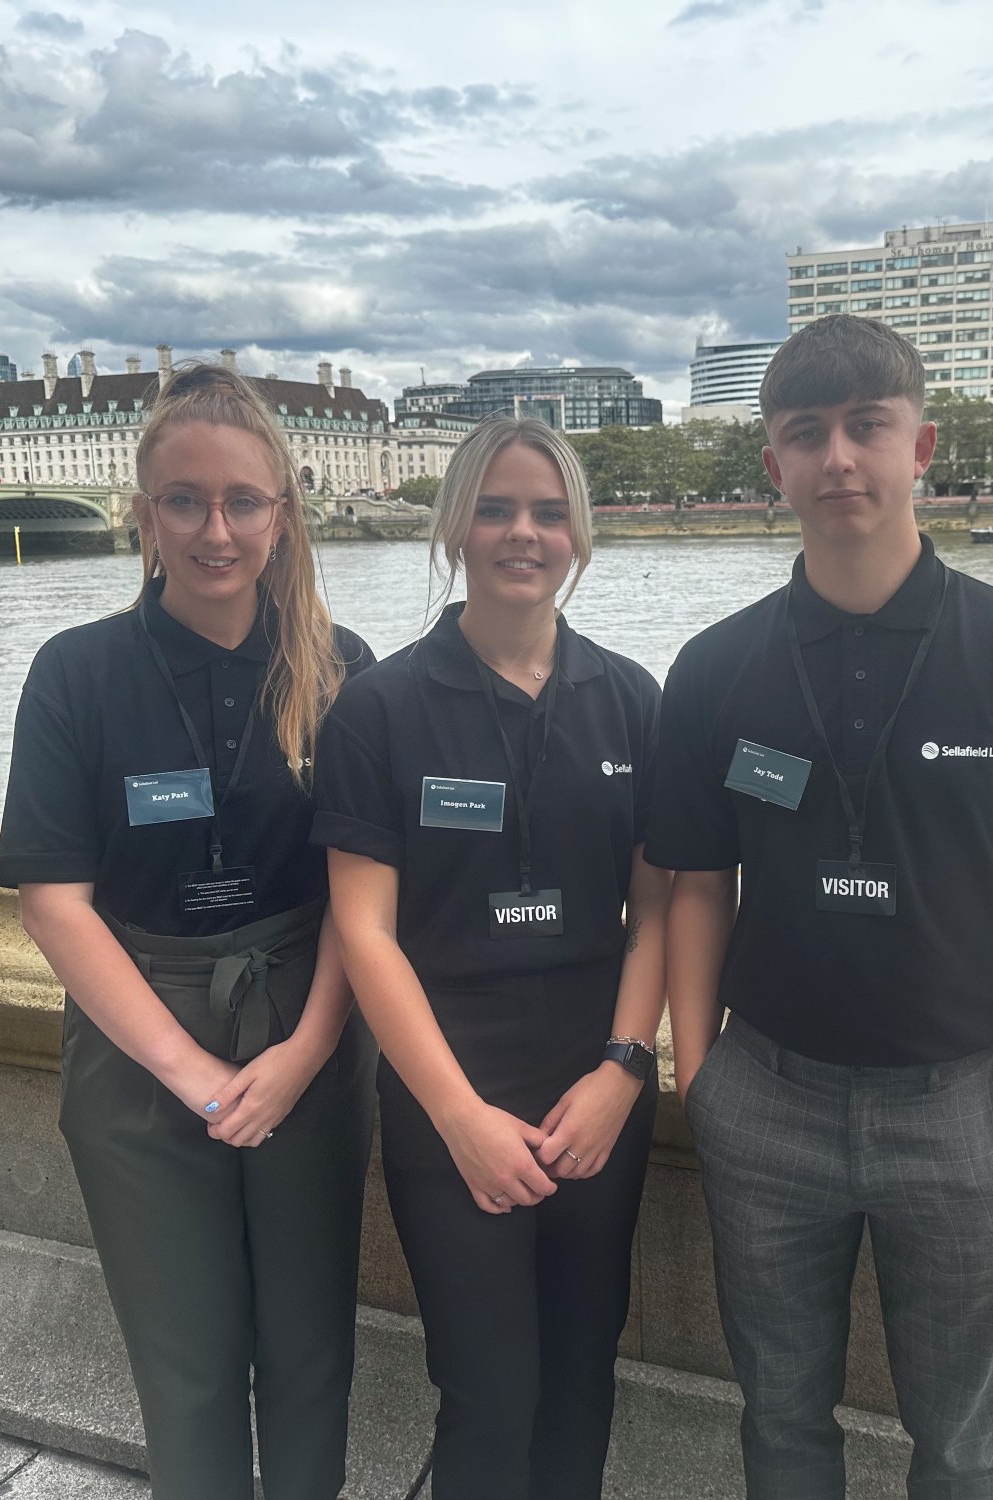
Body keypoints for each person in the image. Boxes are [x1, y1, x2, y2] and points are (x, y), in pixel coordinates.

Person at [647, 315, 993, 1499]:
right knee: (775, 1421)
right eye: (805, 434)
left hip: (956, 1106)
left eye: (866, 428)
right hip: (764, 1098)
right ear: (770, 465)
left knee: (964, 1440)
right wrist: (698, 1072)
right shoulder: (715, 670)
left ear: (919, 446)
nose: (838, 460)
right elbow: (693, 882)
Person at [0, 363, 377, 1500]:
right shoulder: (74, 674)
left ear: (282, 512)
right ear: (142, 511)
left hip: (310, 1009)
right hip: (136, 1039)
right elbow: (51, 898)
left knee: (311, 1352)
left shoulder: (339, 666)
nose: (216, 530)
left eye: (243, 502)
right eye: (184, 501)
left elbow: (366, 895)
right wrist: (197, 1076)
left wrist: (303, 1052)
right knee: (184, 1362)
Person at [317, 416, 668, 1500]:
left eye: (549, 512)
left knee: (580, 1378)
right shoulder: (380, 708)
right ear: (456, 525)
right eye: (499, 508)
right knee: (484, 1393)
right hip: (446, 1091)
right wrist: (458, 1116)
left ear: (579, 535)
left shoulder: (632, 700)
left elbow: (658, 909)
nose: (524, 532)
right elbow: (362, 931)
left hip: (593, 1091)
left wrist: (622, 1066)